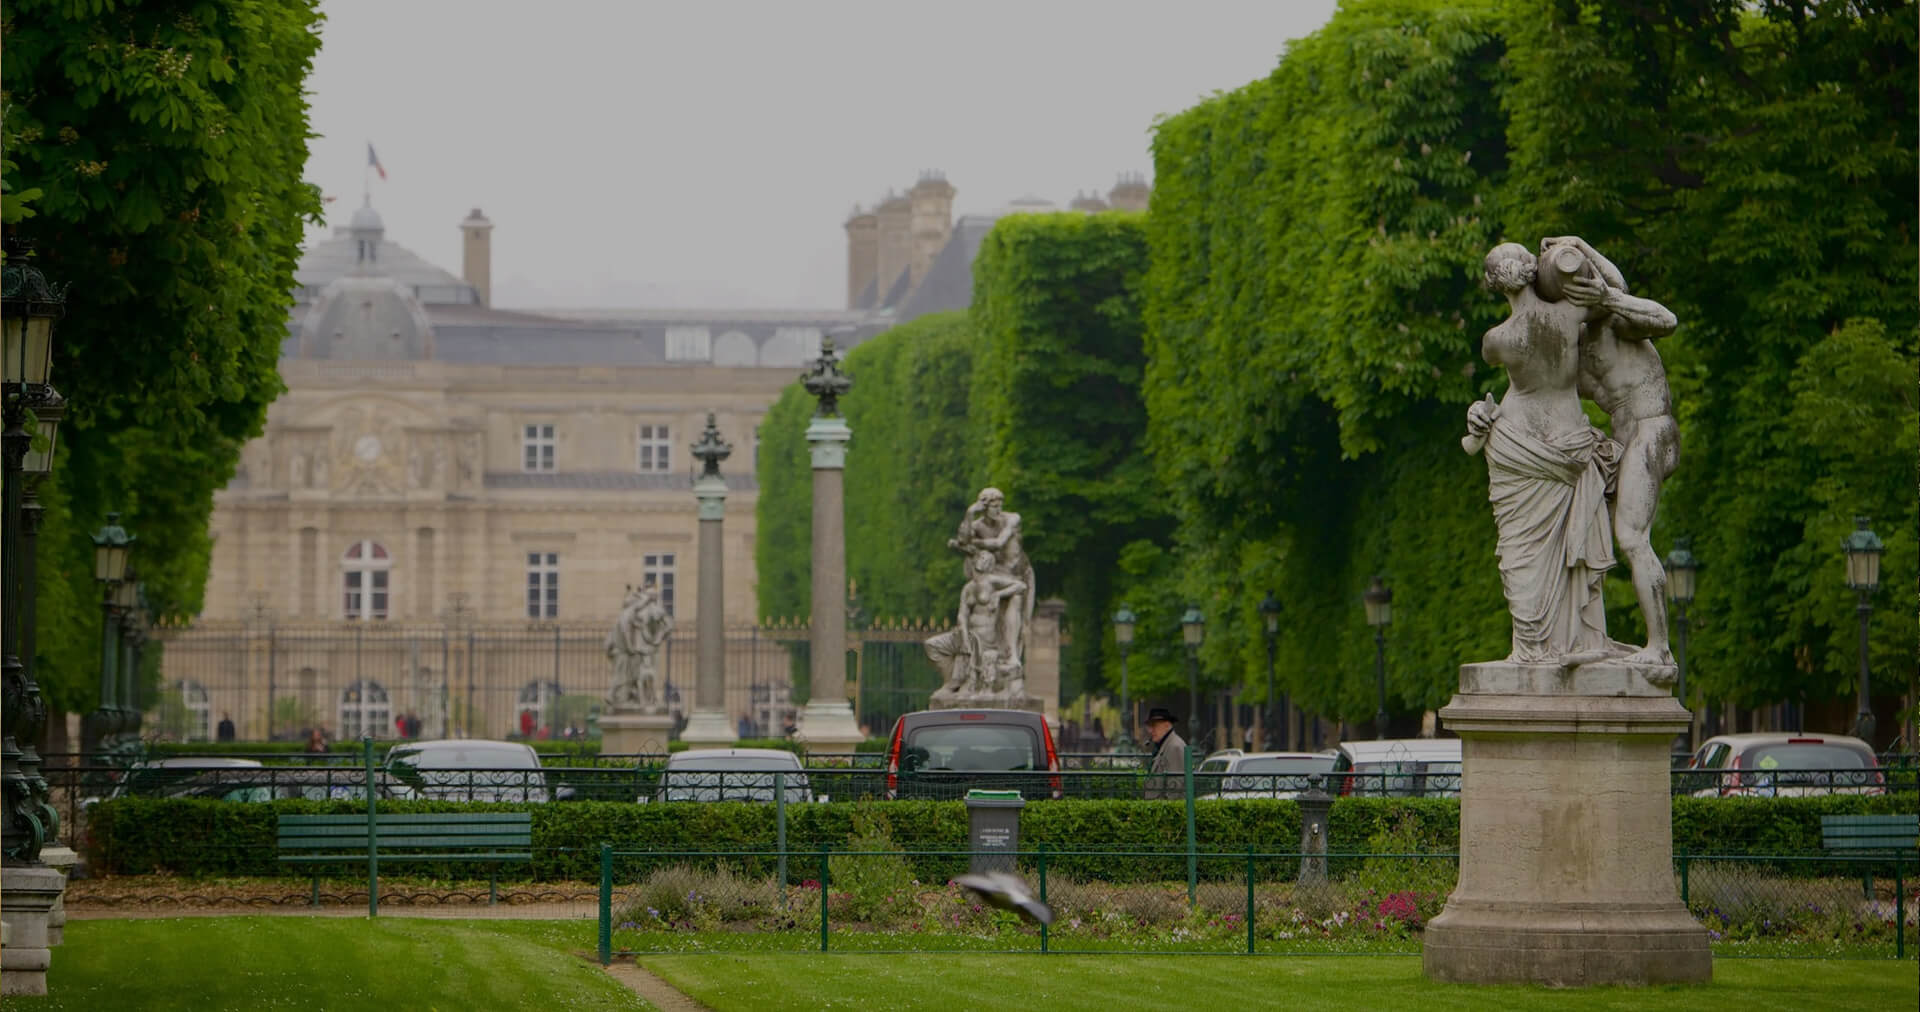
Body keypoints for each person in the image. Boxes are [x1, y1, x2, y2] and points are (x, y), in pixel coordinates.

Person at [1465, 241, 1621, 665]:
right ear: (1534, 268)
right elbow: (1615, 288)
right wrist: (1580, 250)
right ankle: (1573, 643)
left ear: (1496, 283)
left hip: (1519, 445)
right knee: (1554, 557)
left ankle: (1536, 646)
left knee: (1519, 556)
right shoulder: (1571, 315)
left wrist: (1479, 409)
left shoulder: (1496, 340)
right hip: (1564, 441)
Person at [1545, 235, 1681, 666]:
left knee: (1631, 538)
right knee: (1581, 530)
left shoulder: (1616, 321)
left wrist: (1582, 248)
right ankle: (1587, 638)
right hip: (1622, 442)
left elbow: (1667, 318)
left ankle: (1659, 649)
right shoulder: (1575, 349)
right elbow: (1535, 397)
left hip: (1651, 429)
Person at [1143, 707, 1188, 800]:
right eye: (1150, 726)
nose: (1151, 730)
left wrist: (1165, 811)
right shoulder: (1166, 744)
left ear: (1167, 725)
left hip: (1165, 811)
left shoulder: (1174, 746)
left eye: (1154, 726)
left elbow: (1175, 788)